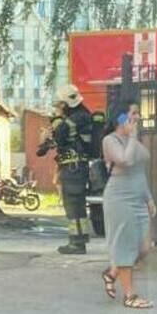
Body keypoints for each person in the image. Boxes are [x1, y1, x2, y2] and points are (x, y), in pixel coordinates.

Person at [98, 104, 155, 309]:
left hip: (138, 198)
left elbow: (139, 170)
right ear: (121, 117)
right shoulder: (110, 140)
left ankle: (113, 272)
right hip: (120, 199)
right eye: (133, 113)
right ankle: (130, 296)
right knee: (125, 246)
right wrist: (131, 136)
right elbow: (125, 160)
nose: (137, 117)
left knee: (144, 247)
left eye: (138, 113)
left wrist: (149, 198)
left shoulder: (133, 140)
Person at [51, 84, 95, 255]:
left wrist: (56, 120)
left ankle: (77, 243)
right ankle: (79, 239)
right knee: (77, 205)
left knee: (73, 205)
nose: (58, 107)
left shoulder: (74, 119)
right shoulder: (83, 115)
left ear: (65, 104)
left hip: (73, 168)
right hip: (75, 167)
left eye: (59, 104)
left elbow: (60, 136)